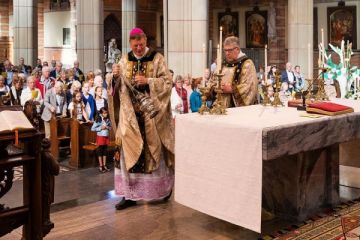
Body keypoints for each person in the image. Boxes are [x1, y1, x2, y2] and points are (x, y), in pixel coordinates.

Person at [108, 27, 174, 210]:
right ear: (130, 43)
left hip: (151, 116)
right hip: (130, 117)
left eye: (141, 45)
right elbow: (116, 88)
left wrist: (149, 82)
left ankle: (159, 191)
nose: (138, 48)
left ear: (146, 41)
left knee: (153, 152)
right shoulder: (124, 60)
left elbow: (168, 83)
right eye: (135, 45)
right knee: (127, 154)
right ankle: (129, 195)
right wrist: (114, 78)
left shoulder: (157, 59)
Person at [219, 36, 258, 108]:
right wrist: (216, 87)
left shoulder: (247, 64)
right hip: (221, 106)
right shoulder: (222, 64)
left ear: (237, 49)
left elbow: (249, 86)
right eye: (225, 50)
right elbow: (213, 80)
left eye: (229, 50)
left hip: (238, 110)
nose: (227, 53)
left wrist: (232, 89)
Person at [91, 107, 111, 173]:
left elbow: (110, 127)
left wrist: (107, 127)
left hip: (106, 137)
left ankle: (105, 165)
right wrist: (100, 128)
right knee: (100, 151)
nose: (106, 114)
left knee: (105, 151)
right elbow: (92, 129)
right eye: (104, 113)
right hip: (100, 137)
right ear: (101, 114)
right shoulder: (98, 120)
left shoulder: (108, 119)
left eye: (106, 113)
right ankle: (101, 166)